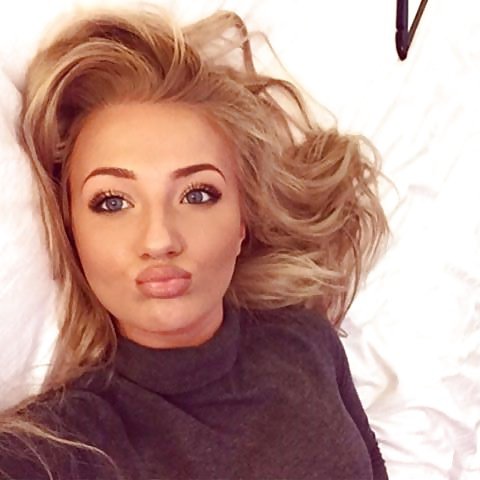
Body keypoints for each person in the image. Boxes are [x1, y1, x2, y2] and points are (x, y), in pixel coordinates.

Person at [0, 4, 389, 479]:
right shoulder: (61, 447)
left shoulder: (307, 343)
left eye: (197, 194)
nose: (159, 239)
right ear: (71, 230)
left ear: (242, 220)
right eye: (113, 202)